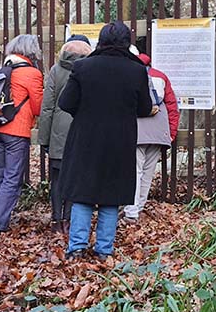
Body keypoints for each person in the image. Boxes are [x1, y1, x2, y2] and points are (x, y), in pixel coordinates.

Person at [58, 21, 152, 260]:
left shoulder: (83, 67)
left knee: (82, 192)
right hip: (120, 140)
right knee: (112, 195)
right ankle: (104, 250)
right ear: (126, 42)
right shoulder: (137, 70)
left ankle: (77, 247)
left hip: (86, 139)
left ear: (100, 40)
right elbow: (144, 107)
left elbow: (65, 103)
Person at [0, 34, 43, 235]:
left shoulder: (3, 68)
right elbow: (38, 106)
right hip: (16, 131)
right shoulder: (31, 73)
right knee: (12, 177)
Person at [37, 38, 92, 233]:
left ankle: (56, 221)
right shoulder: (90, 69)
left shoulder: (56, 70)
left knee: (58, 179)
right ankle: (69, 219)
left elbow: (47, 107)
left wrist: (43, 139)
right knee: (75, 178)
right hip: (82, 131)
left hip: (59, 133)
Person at [123, 52, 180, 223]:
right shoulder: (160, 76)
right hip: (158, 130)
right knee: (147, 173)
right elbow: (171, 105)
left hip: (137, 130)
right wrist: (171, 133)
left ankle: (131, 212)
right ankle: (138, 208)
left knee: (134, 172)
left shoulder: (129, 75)